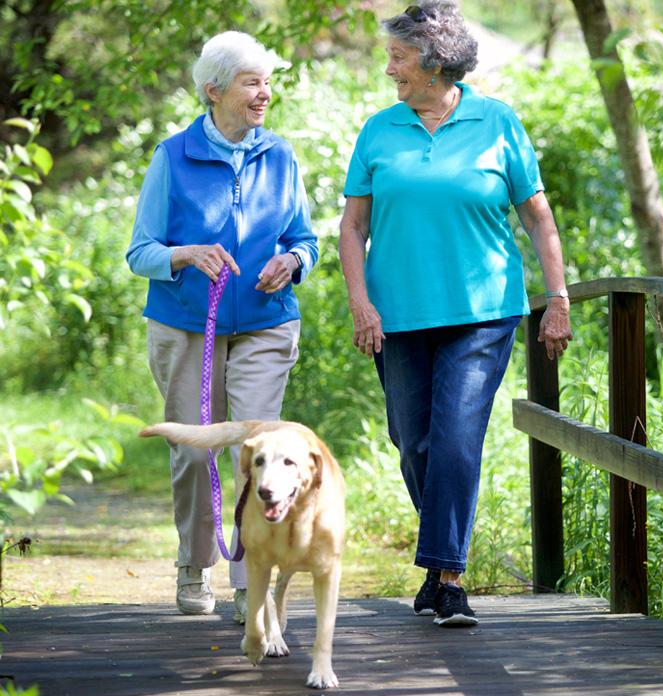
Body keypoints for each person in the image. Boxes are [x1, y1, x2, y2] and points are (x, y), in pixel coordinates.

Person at [339, 0, 572, 627]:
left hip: (482, 310)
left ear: (436, 64)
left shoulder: (498, 123)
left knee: (455, 440)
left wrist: (558, 299)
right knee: (412, 443)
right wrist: (360, 302)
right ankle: (438, 558)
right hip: (397, 314)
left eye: (398, 58)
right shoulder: (379, 131)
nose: (390, 69)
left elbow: (538, 218)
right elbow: (353, 225)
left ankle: (447, 580)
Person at [126, 31, 318, 623]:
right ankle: (193, 565)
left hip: (266, 324)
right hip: (187, 326)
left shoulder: (280, 155)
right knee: (193, 450)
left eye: (267, 82)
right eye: (251, 82)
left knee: (257, 453)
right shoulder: (172, 157)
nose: (264, 94)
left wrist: (293, 262)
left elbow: (304, 239)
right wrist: (185, 254)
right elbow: (141, 253)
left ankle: (249, 580)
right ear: (213, 90)